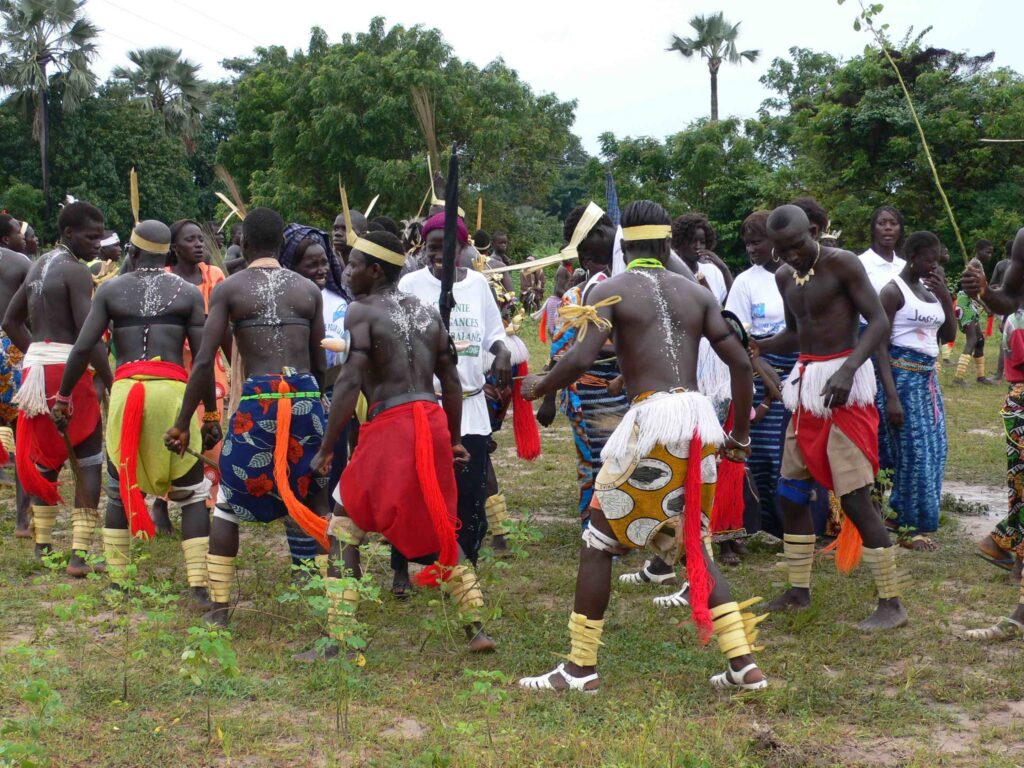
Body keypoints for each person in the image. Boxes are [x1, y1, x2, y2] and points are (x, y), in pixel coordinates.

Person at [517, 200, 764, 692]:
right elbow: (741, 365)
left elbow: (582, 355)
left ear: (623, 246)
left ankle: (580, 669)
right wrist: (738, 435)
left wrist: (539, 386)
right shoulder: (695, 294)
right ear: (668, 243)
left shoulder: (612, 289)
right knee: (694, 544)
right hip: (697, 424)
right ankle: (743, 666)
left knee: (597, 543)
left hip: (652, 422)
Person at [310, 230, 496, 652]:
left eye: (354, 264)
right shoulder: (428, 312)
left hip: (391, 425)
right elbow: (449, 381)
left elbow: (349, 382)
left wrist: (326, 448)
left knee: (343, 527)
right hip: (429, 421)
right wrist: (451, 439)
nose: (347, 270)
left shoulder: (363, 311)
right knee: (438, 526)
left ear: (375, 271)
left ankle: (339, 637)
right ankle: (475, 628)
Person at [165, 207, 332, 629]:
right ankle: (327, 605)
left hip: (258, 402)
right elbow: (318, 361)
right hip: (306, 397)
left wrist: (185, 421)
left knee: (225, 506)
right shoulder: (307, 290)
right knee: (315, 497)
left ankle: (219, 612)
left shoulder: (231, 288)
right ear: (281, 244)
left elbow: (204, 361)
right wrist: (321, 404)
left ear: (243, 242)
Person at [758, 204, 907, 631]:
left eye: (797, 246)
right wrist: (760, 345)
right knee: (790, 494)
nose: (790, 257)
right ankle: (798, 591)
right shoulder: (785, 276)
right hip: (806, 391)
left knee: (856, 499)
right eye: (781, 250)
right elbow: (795, 332)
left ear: (818, 231)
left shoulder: (843, 264)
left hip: (846, 388)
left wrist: (848, 369)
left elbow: (877, 321)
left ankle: (892, 603)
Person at [53, 219, 217, 604]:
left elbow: (82, 349)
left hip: (126, 394)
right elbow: (205, 361)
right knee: (193, 495)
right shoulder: (188, 291)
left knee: (118, 489)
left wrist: (63, 397)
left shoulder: (111, 289)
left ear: (131, 251)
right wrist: (209, 415)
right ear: (168, 253)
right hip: (172, 395)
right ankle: (197, 587)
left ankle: (119, 581)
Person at [396, 211, 511, 597]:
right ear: (423, 248)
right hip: (424, 403)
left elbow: (495, 334)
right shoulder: (411, 284)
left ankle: (466, 570)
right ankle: (402, 568)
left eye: (448, 249)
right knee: (415, 488)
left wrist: (502, 356)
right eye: (431, 249)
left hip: (471, 404)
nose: (439, 257)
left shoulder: (478, 285)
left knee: (469, 491)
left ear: (463, 248)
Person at [2, 202, 113, 577]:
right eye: (90, 236)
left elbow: (10, 321)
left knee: (46, 456)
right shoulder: (76, 272)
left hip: (35, 371)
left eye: (100, 235)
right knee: (88, 455)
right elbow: (88, 335)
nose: (97, 243)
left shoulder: (37, 265)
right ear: (68, 234)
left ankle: (42, 545)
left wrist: (37, 349)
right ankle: (80, 555)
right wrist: (112, 380)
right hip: (68, 369)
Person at [544, 204, 629, 524]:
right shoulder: (576, 296)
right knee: (594, 462)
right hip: (586, 394)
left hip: (617, 392)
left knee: (615, 460)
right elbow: (561, 351)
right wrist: (549, 396)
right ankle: (592, 525)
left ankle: (611, 524)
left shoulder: (620, 283)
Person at [874, 232, 956, 551]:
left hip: (928, 380)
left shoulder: (931, 291)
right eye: (927, 259)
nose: (932, 265)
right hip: (901, 376)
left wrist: (945, 295)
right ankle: (908, 526)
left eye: (936, 260)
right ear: (912, 256)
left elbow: (948, 334)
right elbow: (879, 345)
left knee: (936, 449)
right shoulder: (893, 291)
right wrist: (891, 395)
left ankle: (915, 518)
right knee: (913, 452)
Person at [148, 221, 229, 535]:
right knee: (175, 432)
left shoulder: (215, 277)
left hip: (210, 370)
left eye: (200, 239)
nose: (198, 245)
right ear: (174, 247)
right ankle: (161, 502)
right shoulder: (164, 280)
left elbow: (223, 325)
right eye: (189, 240)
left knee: (209, 437)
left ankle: (203, 503)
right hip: (175, 367)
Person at [279, 222, 350, 571]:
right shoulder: (290, 301)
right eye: (311, 264)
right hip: (305, 397)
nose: (321, 269)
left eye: (325, 262)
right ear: (292, 265)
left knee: (334, 481)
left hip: (341, 395)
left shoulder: (341, 299)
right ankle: (306, 563)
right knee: (306, 480)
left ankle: (331, 560)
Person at [0, 215, 32, 534]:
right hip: (10, 347)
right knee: (22, 431)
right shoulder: (19, 261)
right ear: (6, 239)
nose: (23, 239)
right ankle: (22, 519)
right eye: (17, 234)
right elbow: (35, 304)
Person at [953, 240, 996, 386]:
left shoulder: (978, 264)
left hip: (971, 304)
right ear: (978, 250)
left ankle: (981, 377)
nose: (990, 255)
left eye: (991, 252)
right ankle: (958, 378)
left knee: (979, 340)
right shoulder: (975, 265)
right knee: (972, 339)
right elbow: (969, 291)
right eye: (987, 252)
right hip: (966, 304)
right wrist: (986, 306)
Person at [670, 213, 732, 302]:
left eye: (702, 242)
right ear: (680, 242)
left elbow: (733, 303)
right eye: (692, 241)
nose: (698, 246)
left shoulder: (713, 271)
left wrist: (724, 268)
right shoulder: (672, 275)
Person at [858, 205, 905, 295]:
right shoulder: (860, 263)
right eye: (881, 223)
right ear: (873, 229)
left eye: (893, 223)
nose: (888, 227)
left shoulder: (905, 266)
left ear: (900, 230)